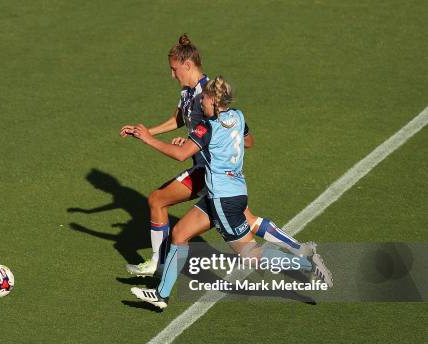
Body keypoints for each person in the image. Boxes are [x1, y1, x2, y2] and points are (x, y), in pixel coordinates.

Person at [126, 76, 333, 309]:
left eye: (203, 98)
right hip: (229, 193)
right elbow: (248, 142)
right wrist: (199, 143)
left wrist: (148, 138)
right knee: (180, 233)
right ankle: (161, 295)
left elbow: (181, 155)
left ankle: (306, 263)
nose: (200, 102)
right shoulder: (238, 116)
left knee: (251, 256)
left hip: (223, 200)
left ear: (213, 100)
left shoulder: (207, 127)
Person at [120, 34, 313, 278]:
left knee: (157, 200)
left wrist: (194, 144)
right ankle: (299, 251)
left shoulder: (208, 96)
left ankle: (158, 265)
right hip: (216, 175)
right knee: (249, 220)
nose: (172, 75)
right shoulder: (187, 93)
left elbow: (239, 137)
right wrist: (148, 131)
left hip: (207, 171)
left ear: (187, 65)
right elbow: (179, 120)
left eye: (174, 69)